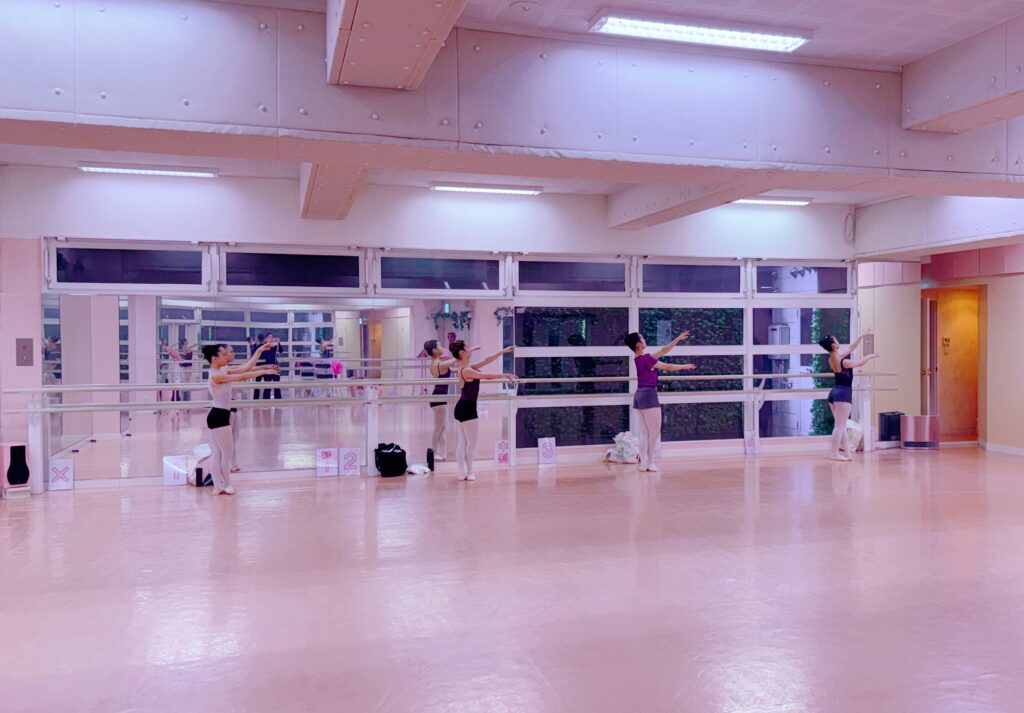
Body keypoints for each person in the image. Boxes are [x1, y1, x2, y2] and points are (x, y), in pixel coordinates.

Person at [201, 342, 279, 495]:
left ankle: (218, 486)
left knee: (218, 452)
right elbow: (242, 376)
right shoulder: (216, 375)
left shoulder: (222, 370)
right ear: (215, 359)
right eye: (224, 355)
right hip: (219, 416)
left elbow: (245, 368)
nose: (226, 357)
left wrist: (259, 351)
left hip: (218, 415)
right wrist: (265, 371)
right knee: (226, 453)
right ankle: (226, 484)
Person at [625, 331, 697, 472]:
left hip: (639, 394)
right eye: (643, 338)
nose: (645, 340)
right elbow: (668, 367)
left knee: (644, 432)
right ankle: (650, 462)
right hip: (649, 395)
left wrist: (678, 339)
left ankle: (643, 463)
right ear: (638, 344)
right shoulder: (646, 359)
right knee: (654, 431)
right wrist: (684, 366)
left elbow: (664, 350)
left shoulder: (639, 359)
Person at [451, 341, 515, 482]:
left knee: (463, 442)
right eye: (467, 347)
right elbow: (486, 376)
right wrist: (505, 375)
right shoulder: (466, 370)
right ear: (462, 353)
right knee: (471, 444)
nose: (470, 349)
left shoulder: (466, 368)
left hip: (462, 406)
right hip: (467, 409)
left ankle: (462, 473)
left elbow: (486, 360)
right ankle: (470, 472)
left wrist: (503, 351)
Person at [819, 331, 879, 462]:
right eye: (836, 340)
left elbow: (852, 347)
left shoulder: (833, 359)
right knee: (839, 426)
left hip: (834, 393)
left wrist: (861, 335)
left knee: (841, 426)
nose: (838, 341)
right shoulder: (844, 362)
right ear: (834, 345)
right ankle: (834, 454)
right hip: (843, 394)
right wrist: (870, 356)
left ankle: (847, 454)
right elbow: (859, 363)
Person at [426, 340, 479, 463]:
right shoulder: (439, 364)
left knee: (443, 428)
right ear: (434, 350)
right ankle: (433, 453)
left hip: (440, 397)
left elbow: (455, 368)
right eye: (439, 346)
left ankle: (443, 454)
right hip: (439, 398)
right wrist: (470, 350)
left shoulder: (438, 363)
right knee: (438, 429)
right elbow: (455, 359)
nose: (442, 348)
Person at [255, 332, 283, 400]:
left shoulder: (274, 346)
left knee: (277, 385)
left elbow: (281, 351)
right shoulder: (263, 347)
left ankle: (278, 401)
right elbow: (258, 353)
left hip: (275, 366)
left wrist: (278, 342)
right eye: (269, 337)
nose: (270, 339)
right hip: (267, 367)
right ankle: (266, 401)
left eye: (271, 337)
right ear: (265, 339)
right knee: (267, 385)